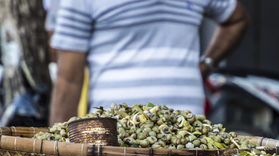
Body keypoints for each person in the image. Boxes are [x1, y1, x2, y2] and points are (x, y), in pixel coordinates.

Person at [49, 0, 249, 124]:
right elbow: (68, 80)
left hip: (189, 138)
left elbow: (236, 19)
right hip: (114, 141)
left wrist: (206, 64)